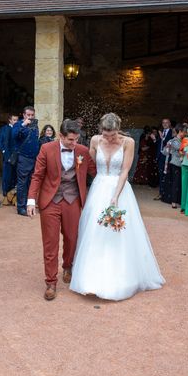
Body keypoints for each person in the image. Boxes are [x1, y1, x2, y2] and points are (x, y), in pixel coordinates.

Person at [70, 113, 165, 301]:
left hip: (119, 189)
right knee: (94, 230)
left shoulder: (128, 142)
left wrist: (115, 196)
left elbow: (125, 171)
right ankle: (90, 276)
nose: (109, 138)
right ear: (101, 131)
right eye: (106, 135)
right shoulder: (96, 141)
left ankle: (121, 275)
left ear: (118, 130)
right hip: (98, 188)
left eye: (112, 135)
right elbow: (89, 165)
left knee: (118, 232)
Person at [26, 119, 96, 301]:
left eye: (76, 139)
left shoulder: (82, 151)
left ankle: (68, 266)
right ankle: (50, 282)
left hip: (73, 199)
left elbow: (96, 172)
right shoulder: (46, 149)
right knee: (50, 242)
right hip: (51, 200)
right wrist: (31, 200)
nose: (74, 144)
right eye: (70, 140)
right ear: (61, 136)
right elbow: (37, 175)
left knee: (72, 238)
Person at [12, 106, 40, 216]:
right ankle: (21, 207)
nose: (30, 117)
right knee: (22, 183)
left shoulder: (35, 125)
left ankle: (29, 205)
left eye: (32, 115)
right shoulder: (18, 124)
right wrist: (24, 125)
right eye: (28, 115)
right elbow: (14, 135)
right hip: (23, 158)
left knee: (31, 182)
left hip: (34, 158)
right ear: (24, 115)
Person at [161, 124, 187, 208]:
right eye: (184, 131)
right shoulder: (175, 141)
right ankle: (173, 201)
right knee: (175, 183)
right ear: (180, 132)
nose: (186, 133)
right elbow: (182, 149)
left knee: (179, 183)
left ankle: (177, 200)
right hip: (175, 164)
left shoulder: (182, 140)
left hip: (180, 164)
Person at [0, 114, 18, 205]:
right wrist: (3, 151)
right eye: (14, 120)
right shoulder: (4, 129)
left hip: (16, 156)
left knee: (15, 175)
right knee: (7, 175)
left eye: (17, 120)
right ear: (10, 120)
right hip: (7, 155)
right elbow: (0, 140)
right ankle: (6, 195)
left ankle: (14, 195)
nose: (16, 122)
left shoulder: (18, 129)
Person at [156, 117, 172, 200]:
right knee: (161, 175)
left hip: (168, 157)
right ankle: (160, 193)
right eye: (163, 123)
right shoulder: (161, 132)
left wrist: (162, 138)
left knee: (166, 176)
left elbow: (169, 144)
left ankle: (165, 195)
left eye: (166, 122)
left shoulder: (172, 132)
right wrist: (156, 139)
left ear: (169, 123)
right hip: (160, 156)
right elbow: (159, 144)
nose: (165, 124)